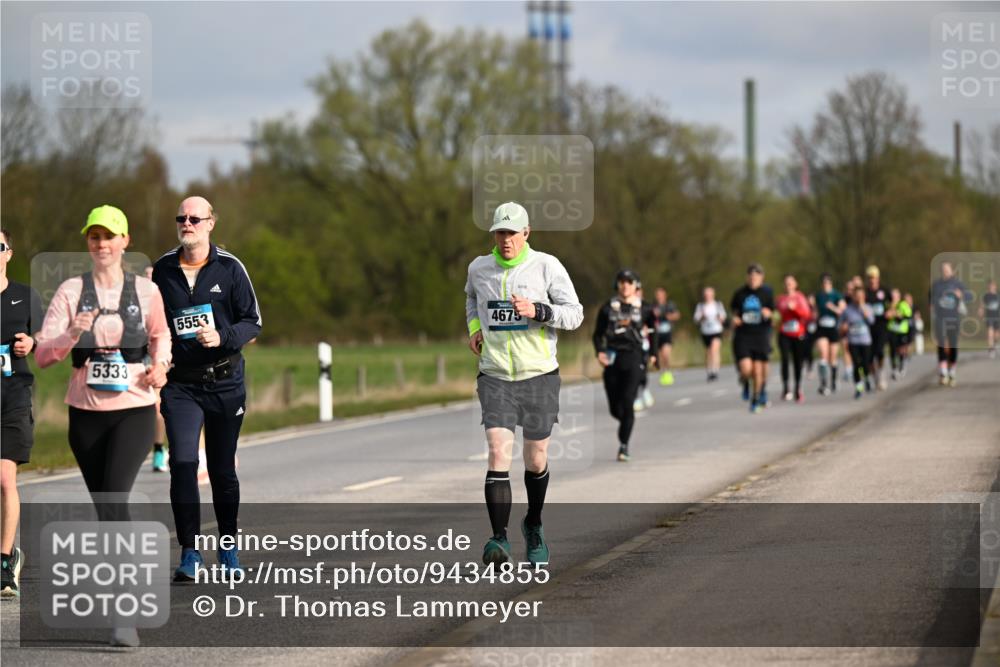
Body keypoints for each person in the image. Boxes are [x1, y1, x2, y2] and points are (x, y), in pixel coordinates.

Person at [35, 206, 170, 646]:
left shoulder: (147, 291)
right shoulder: (71, 290)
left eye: (109, 236)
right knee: (106, 510)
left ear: (125, 241)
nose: (102, 244)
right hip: (85, 413)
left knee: (115, 498)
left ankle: (124, 612)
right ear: (87, 243)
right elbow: (42, 354)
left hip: (133, 407)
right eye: (94, 237)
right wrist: (71, 334)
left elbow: (160, 336)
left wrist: (160, 367)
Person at [465, 202, 582, 566]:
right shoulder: (479, 269)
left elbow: (574, 314)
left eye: (512, 233)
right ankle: (497, 539)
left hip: (539, 375)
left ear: (526, 233)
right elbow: (471, 299)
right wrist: (474, 329)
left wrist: (539, 311)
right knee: (499, 452)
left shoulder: (547, 266)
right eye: (500, 233)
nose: (506, 240)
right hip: (496, 374)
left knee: (535, 459)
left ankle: (533, 524)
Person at [152, 196, 262, 581]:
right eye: (181, 217)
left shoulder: (230, 268)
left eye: (195, 218)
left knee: (221, 470)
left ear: (211, 223)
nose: (187, 223)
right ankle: (189, 553)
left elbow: (253, 322)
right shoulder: (162, 270)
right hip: (180, 385)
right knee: (183, 463)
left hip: (225, 382)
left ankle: (228, 549)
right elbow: (150, 323)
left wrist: (223, 335)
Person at [0, 230, 44, 599]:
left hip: (13, 396)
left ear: (9, 254)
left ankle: (4, 562)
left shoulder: (25, 296)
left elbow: (48, 339)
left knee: (4, 479)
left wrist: (33, 342)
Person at [593, 269, 658, 463]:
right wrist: (599, 351)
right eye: (622, 281)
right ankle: (626, 422)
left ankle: (623, 446)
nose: (625, 285)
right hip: (613, 358)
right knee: (616, 409)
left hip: (634, 357)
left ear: (636, 285)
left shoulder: (645, 308)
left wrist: (654, 354)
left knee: (628, 400)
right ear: (617, 285)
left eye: (629, 282)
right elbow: (597, 334)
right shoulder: (607, 308)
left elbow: (654, 332)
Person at [730, 263, 775, 414]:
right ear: (747, 277)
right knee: (746, 369)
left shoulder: (767, 293)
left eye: (756, 276)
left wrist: (769, 314)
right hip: (744, 335)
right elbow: (734, 313)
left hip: (761, 334)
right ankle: (745, 382)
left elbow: (776, 314)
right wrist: (735, 319)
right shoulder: (740, 294)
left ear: (762, 277)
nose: (753, 279)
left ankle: (756, 399)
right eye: (751, 276)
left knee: (758, 371)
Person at [145, 264, 169, 472]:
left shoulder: (169, 297)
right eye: (145, 276)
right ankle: (159, 450)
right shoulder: (135, 298)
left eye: (152, 276)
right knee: (156, 406)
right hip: (144, 358)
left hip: (169, 357)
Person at [929, 261, 969, 386]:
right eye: (943, 269)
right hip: (940, 318)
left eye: (947, 269)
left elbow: (968, 296)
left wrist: (961, 295)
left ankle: (952, 371)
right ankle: (943, 371)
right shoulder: (936, 285)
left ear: (952, 271)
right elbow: (930, 301)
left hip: (954, 318)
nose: (945, 271)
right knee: (941, 343)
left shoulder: (958, 284)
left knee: (953, 345)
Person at [776, 274, 811, 403]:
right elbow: (776, 316)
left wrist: (794, 308)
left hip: (798, 334)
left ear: (795, 284)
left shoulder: (800, 297)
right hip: (784, 334)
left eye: (790, 283)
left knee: (798, 362)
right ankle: (786, 388)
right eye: (786, 283)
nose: (788, 285)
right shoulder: (780, 299)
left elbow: (807, 315)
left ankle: (798, 388)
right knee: (785, 359)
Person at [811, 274, 845, 396]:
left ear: (831, 283)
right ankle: (823, 383)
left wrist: (833, 307)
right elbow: (814, 312)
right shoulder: (818, 296)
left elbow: (842, 310)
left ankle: (834, 380)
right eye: (823, 282)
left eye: (827, 282)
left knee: (833, 357)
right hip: (821, 328)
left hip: (833, 328)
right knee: (823, 354)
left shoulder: (836, 295)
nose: (825, 284)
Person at [839, 285, 875, 399]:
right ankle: (859, 387)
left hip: (865, 341)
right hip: (853, 341)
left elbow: (872, 321)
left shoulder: (868, 307)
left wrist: (864, 310)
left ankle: (867, 378)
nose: (858, 298)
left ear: (864, 296)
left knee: (865, 363)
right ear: (853, 296)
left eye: (861, 296)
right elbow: (839, 325)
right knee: (856, 364)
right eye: (856, 296)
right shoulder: (847, 310)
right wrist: (843, 327)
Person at [864, 266, 892, 391]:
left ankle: (881, 373)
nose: (872, 280)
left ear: (878, 278)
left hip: (881, 325)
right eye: (870, 278)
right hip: (868, 326)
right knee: (869, 355)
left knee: (879, 351)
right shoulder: (865, 293)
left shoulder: (884, 290)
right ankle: (875, 376)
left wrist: (891, 311)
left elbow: (894, 301)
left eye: (874, 277)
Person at [693, 286, 726, 381]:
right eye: (706, 294)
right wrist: (702, 317)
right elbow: (696, 320)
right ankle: (709, 371)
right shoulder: (700, 306)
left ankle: (715, 370)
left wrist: (719, 318)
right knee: (708, 352)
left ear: (713, 295)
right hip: (706, 332)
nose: (707, 296)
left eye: (709, 294)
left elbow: (723, 317)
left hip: (716, 330)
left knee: (714, 349)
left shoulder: (718, 305)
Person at [652, 287, 681, 387]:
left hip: (667, 333)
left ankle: (667, 372)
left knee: (666, 354)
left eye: (661, 294)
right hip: (656, 334)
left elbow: (677, 315)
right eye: (657, 294)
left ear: (665, 295)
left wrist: (669, 316)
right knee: (659, 357)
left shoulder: (669, 305)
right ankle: (663, 373)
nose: (659, 296)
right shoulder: (653, 306)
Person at [633, 283, 655, 411]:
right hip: (631, 345)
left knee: (643, 371)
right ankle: (636, 397)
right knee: (634, 371)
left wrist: (648, 329)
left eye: (639, 291)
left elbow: (654, 325)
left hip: (644, 344)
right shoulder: (624, 306)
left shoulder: (646, 308)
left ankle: (644, 389)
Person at [886, 288, 912, 380]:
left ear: (899, 296)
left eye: (895, 295)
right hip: (891, 330)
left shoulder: (903, 304)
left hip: (902, 331)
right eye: (892, 295)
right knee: (892, 350)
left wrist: (899, 315)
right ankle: (894, 369)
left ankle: (902, 365)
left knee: (901, 350)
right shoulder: (888, 304)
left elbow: (908, 315)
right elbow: (885, 315)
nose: (893, 297)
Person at [979, 280, 999, 359]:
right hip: (989, 317)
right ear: (988, 287)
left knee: (996, 335)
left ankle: (994, 344)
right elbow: (982, 305)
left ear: (995, 287)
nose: (991, 287)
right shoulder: (986, 296)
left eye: (993, 286)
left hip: (997, 317)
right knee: (990, 333)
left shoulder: (998, 295)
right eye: (990, 286)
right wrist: (981, 311)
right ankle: (991, 349)